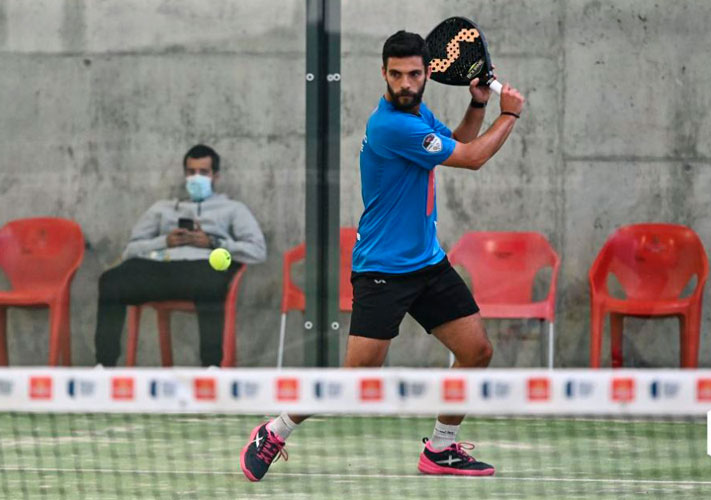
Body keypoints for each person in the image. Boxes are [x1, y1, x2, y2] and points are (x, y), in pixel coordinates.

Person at [240, 30, 525, 480]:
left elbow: (451, 144)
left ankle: (441, 450)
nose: (406, 83)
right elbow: (471, 158)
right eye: (397, 75)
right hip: (381, 272)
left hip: (428, 263)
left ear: (428, 73)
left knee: (476, 351)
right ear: (383, 73)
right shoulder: (391, 124)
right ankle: (274, 431)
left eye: (414, 73)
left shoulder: (418, 112)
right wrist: (509, 115)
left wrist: (478, 105)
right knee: (357, 379)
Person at [94, 144, 266, 367]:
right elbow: (131, 249)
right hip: (161, 268)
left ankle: (211, 366)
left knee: (212, 282)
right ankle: (104, 366)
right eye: (191, 172)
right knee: (111, 281)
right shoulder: (163, 208)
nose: (196, 178)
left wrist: (213, 243)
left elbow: (257, 251)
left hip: (202, 267)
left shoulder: (232, 209)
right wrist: (165, 241)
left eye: (203, 173)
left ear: (215, 176)